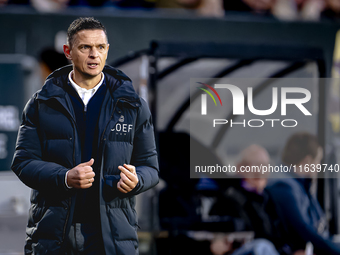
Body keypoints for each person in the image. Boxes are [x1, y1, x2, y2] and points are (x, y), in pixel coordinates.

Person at [11, 17, 159, 255]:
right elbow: (22, 162)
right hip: (53, 235)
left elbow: (150, 168)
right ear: (68, 52)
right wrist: (66, 177)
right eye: (85, 47)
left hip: (111, 237)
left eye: (100, 47)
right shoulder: (41, 104)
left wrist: (137, 179)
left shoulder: (133, 105)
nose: (94, 54)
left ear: (107, 50)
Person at [209, 144, 296, 255]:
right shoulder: (227, 200)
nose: (260, 171)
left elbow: (281, 236)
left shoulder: (269, 199)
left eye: (265, 166)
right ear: (240, 167)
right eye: (254, 166)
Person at [266, 132, 340, 255]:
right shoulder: (284, 187)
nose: (318, 168)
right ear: (308, 161)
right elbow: (304, 229)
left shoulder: (300, 185)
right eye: (318, 162)